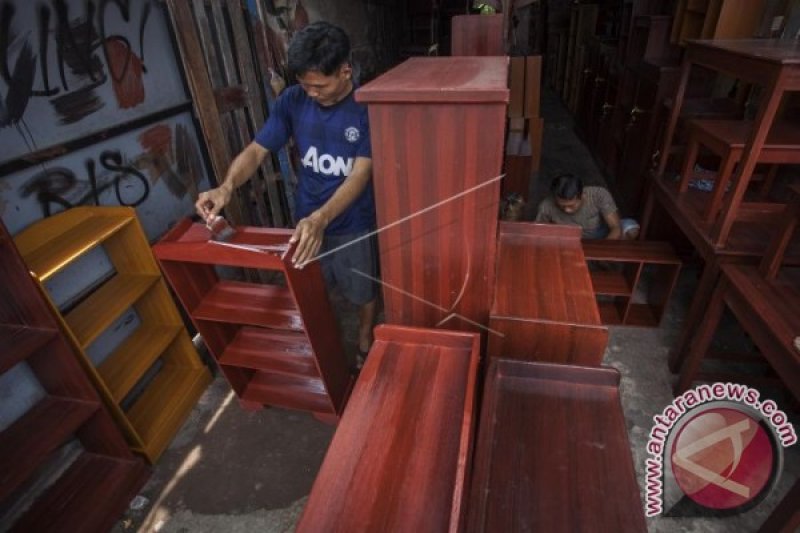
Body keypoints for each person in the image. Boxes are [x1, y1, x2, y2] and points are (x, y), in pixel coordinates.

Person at [195, 21, 378, 365]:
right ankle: (322, 339)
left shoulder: (366, 108)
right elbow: (257, 151)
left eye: (318, 85)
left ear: (345, 71)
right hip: (305, 221)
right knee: (312, 288)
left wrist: (323, 217)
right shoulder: (293, 101)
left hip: (352, 221)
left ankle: (365, 335)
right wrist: (227, 186)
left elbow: (360, 175)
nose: (311, 93)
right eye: (304, 85)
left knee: (361, 290)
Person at [535, 174, 639, 239]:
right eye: (561, 206)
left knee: (631, 228)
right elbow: (536, 232)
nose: (566, 210)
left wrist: (601, 252)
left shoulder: (598, 194)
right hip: (567, 237)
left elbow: (615, 227)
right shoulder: (546, 206)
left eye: (571, 205)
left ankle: (612, 262)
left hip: (598, 234)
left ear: (582, 195)